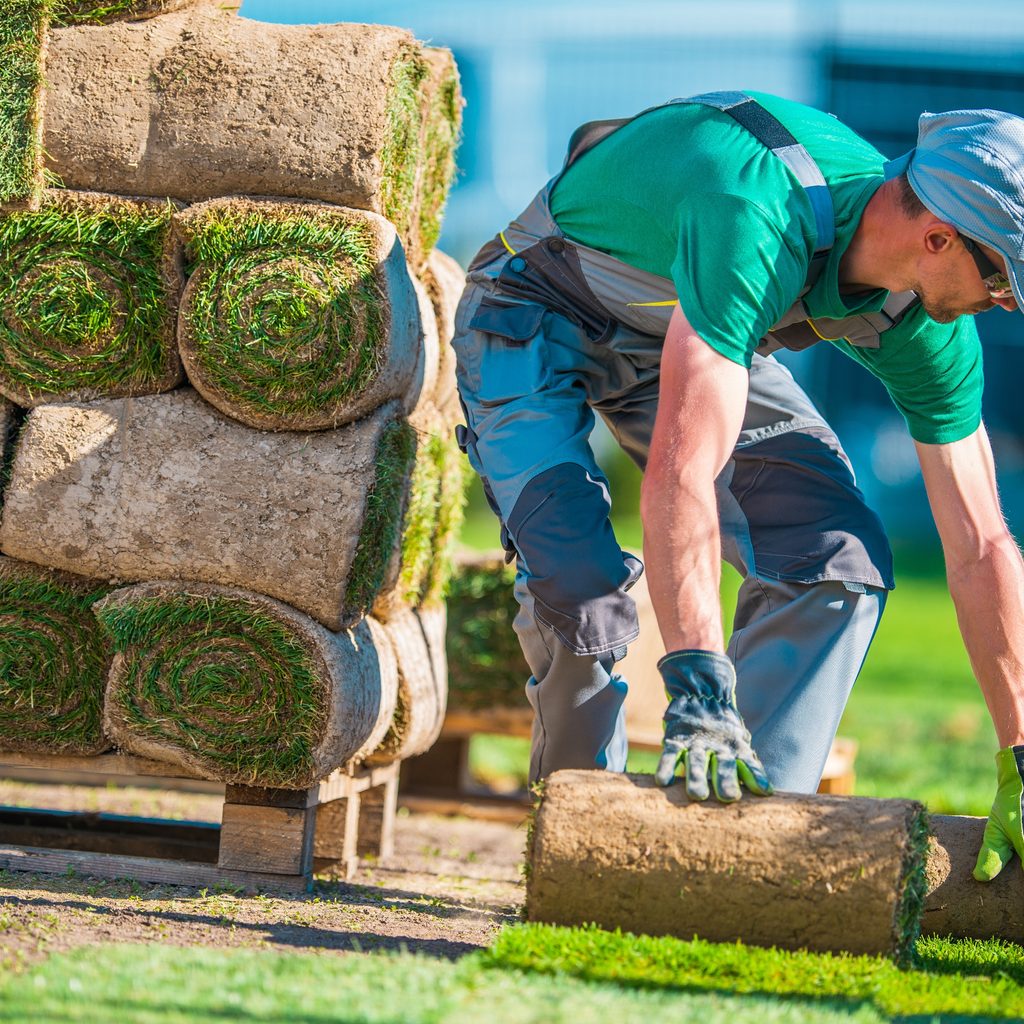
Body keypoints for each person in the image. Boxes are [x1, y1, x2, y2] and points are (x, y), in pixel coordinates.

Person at [449, 90, 1024, 881]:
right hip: (532, 310)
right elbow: (684, 471)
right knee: (581, 594)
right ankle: (582, 859)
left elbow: (983, 540)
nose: (1006, 303)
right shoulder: (757, 211)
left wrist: (1020, 750)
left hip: (694, 333)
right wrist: (695, 680)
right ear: (938, 236)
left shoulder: (925, 327)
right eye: (1002, 281)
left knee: (837, 566)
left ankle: (719, 858)